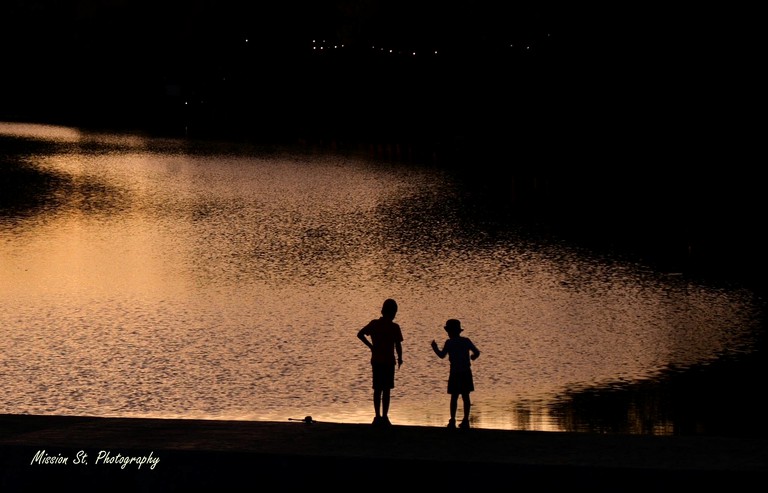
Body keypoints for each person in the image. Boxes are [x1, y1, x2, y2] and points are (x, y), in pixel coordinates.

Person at [357, 298, 403, 426]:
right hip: (388, 362)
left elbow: (360, 334)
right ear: (393, 312)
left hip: (377, 361)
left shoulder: (375, 324)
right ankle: (384, 416)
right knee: (386, 390)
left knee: (378, 389)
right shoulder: (394, 327)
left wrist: (371, 346)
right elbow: (398, 345)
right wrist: (400, 358)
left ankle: (378, 416)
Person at [431, 319, 480, 429]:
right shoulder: (466, 341)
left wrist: (434, 348)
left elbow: (442, 355)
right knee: (466, 396)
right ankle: (465, 420)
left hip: (455, 373)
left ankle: (452, 420)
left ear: (450, 331)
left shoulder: (449, 343)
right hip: (466, 372)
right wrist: (473, 357)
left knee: (454, 397)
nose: (447, 333)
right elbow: (477, 352)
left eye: (448, 331)